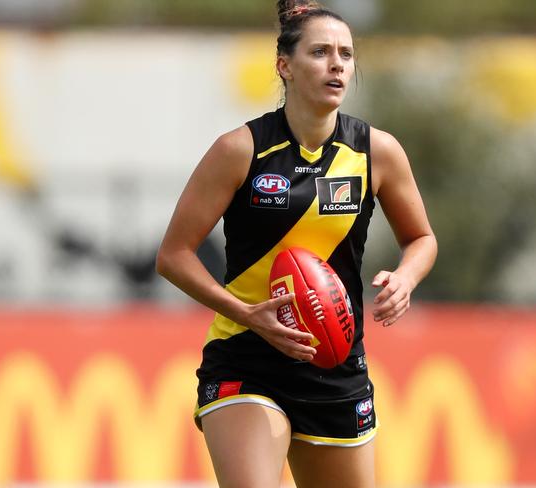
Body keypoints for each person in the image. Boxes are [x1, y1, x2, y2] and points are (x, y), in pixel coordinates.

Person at [156, 1, 437, 486]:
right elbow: (173, 256)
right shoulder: (240, 150)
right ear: (284, 65)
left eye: (346, 55)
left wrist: (405, 277)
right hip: (246, 354)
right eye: (320, 52)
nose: (337, 65)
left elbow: (422, 239)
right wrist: (245, 314)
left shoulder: (376, 152)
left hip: (335, 362)